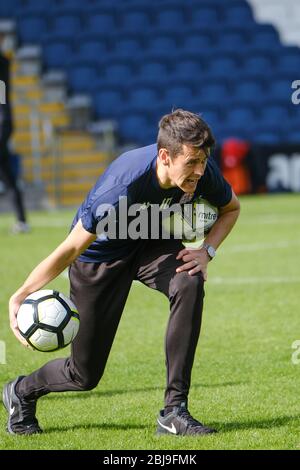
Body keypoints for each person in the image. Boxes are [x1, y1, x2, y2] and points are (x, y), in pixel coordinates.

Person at [3, 109, 240, 436]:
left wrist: (206, 251)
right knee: (83, 375)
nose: (199, 171)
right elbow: (71, 248)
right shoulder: (119, 189)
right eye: (191, 163)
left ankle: (174, 411)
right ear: (165, 157)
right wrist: (21, 293)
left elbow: (231, 208)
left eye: (203, 161)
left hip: (148, 244)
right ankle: (21, 391)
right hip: (99, 260)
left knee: (189, 279)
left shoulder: (202, 171)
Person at [0, 33, 29, 234]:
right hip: (3, 123)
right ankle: (21, 220)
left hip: (1, 124)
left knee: (8, 176)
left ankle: (21, 220)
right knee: (7, 175)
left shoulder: (2, 62)